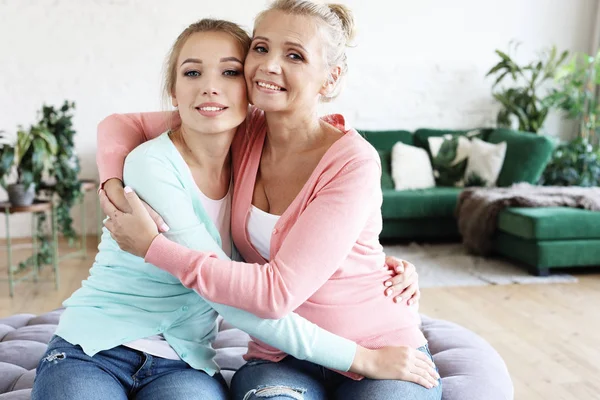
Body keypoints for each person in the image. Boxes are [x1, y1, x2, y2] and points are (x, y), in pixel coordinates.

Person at [32, 18, 426, 400]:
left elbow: (293, 254)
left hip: (184, 361)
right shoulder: (170, 159)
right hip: (96, 347)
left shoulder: (256, 143)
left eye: (229, 72)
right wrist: (112, 183)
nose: (210, 88)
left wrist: (370, 266)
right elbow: (119, 123)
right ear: (173, 90)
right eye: (192, 74)